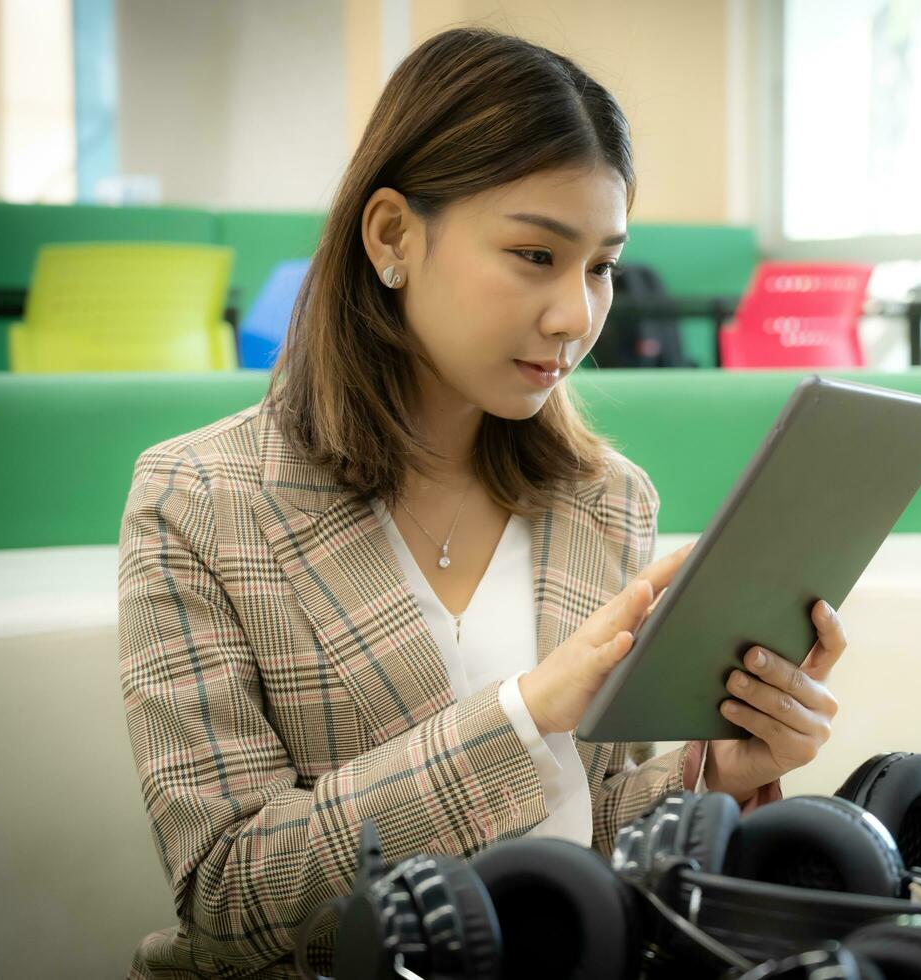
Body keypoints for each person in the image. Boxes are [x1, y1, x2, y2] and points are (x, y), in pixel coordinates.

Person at [118, 27, 848, 979]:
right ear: (392, 237)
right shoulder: (200, 504)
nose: (578, 316)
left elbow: (591, 825)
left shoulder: (606, 501)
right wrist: (521, 712)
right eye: (535, 254)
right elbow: (225, 894)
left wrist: (716, 772)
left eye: (600, 265)